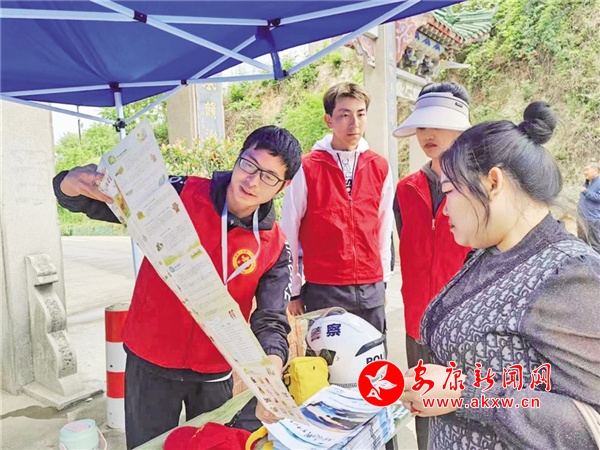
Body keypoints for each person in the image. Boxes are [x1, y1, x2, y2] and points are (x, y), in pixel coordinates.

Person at [53, 126, 302, 449]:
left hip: (214, 372)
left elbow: (270, 319)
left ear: (284, 185)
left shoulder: (275, 245)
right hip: (149, 360)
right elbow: (94, 202)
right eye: (249, 164)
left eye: (268, 176)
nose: (252, 180)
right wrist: (68, 183)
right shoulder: (180, 194)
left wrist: (271, 369)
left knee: (211, 445)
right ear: (239, 157)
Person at [401, 102, 600, 449]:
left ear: (493, 182)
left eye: (448, 192)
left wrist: (462, 393)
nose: (444, 209)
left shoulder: (568, 274)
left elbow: (590, 423)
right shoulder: (489, 252)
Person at [392, 82, 472, 450]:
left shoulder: (480, 188)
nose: (428, 134)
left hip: (466, 326)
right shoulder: (406, 189)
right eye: (422, 125)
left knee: (467, 412)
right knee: (423, 407)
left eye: (438, 124)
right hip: (417, 323)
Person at [281, 81, 394, 333]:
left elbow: (383, 227)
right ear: (328, 120)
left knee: (372, 355)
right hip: (324, 288)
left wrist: (383, 281)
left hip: (371, 287)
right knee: (328, 357)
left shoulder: (379, 166)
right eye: (344, 115)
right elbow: (289, 229)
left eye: (360, 114)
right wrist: (294, 289)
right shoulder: (306, 167)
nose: (354, 123)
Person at [577, 162, 600, 253]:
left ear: (596, 170)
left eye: (587, 170)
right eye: (584, 170)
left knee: (595, 244)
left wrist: (585, 191)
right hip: (581, 218)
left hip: (592, 218)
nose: (585, 172)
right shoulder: (587, 183)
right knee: (582, 242)